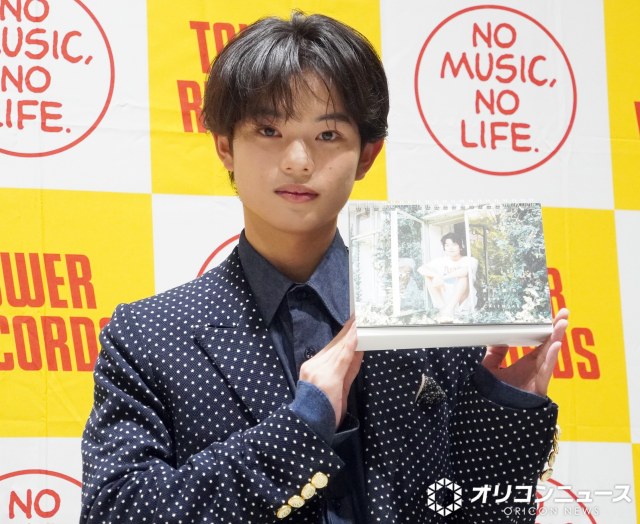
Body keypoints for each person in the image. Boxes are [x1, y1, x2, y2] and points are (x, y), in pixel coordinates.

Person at [80, 11, 569, 524]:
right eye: (268, 129)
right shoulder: (149, 336)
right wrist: (302, 425)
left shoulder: (435, 317)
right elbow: (115, 511)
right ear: (225, 146)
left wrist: (501, 414)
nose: (298, 160)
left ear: (367, 155)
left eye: (328, 134)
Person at [418, 232, 478, 323]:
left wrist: (442, 278)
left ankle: (448, 310)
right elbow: (421, 269)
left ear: (461, 246)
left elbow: (464, 271)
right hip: (445, 299)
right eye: (447, 245)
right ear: (444, 248)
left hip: (463, 301)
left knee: (463, 278)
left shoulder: (470, 260)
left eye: (454, 244)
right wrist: (436, 275)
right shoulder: (441, 261)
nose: (450, 248)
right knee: (428, 276)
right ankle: (442, 308)